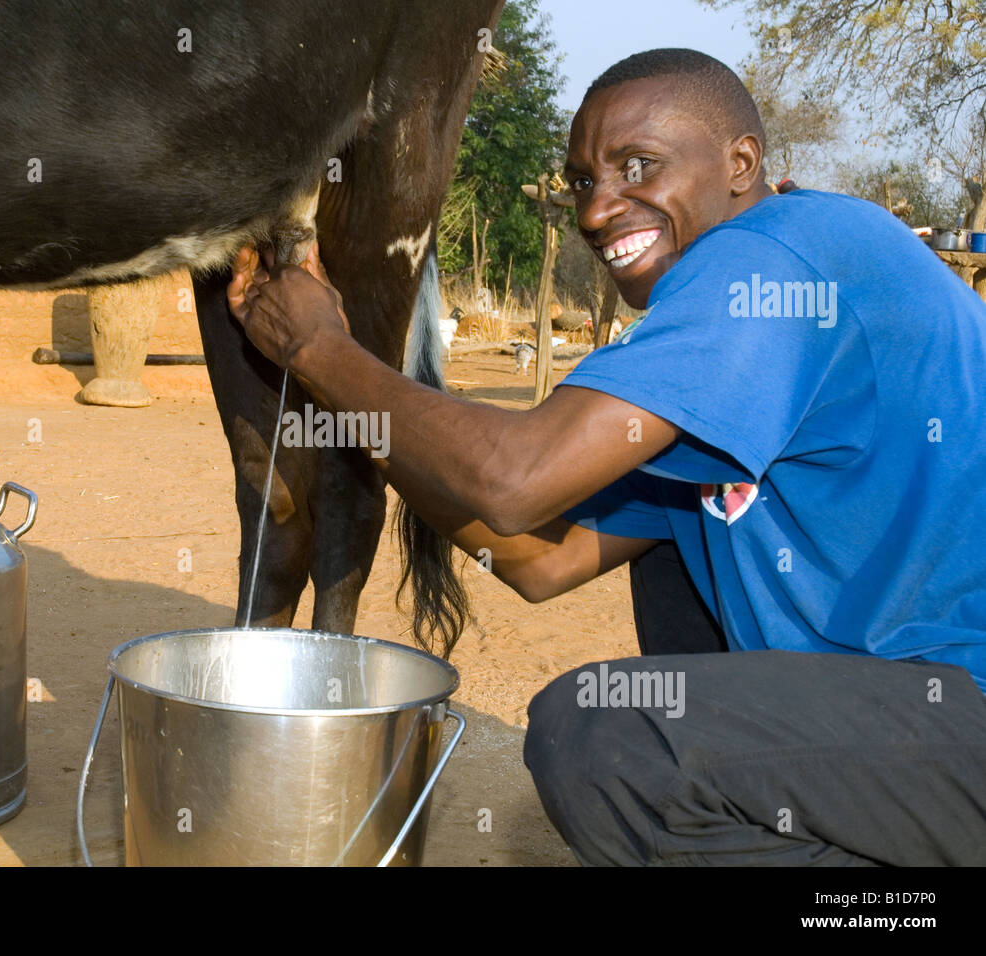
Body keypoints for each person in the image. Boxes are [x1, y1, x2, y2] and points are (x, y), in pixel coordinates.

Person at [227, 48, 986, 865]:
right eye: (583, 180)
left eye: (638, 166)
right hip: (902, 724)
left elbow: (513, 481)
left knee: (604, 737)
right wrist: (356, 390)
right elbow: (533, 557)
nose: (596, 210)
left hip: (959, 715)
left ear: (741, 164)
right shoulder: (718, 351)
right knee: (672, 569)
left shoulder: (778, 256)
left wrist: (322, 350)